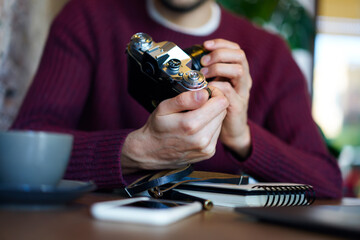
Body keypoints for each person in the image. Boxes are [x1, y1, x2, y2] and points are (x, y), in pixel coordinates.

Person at [12, 0, 342, 198]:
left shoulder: (270, 55)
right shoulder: (86, 18)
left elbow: (328, 183)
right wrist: (136, 150)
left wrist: (242, 137)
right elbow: (21, 152)